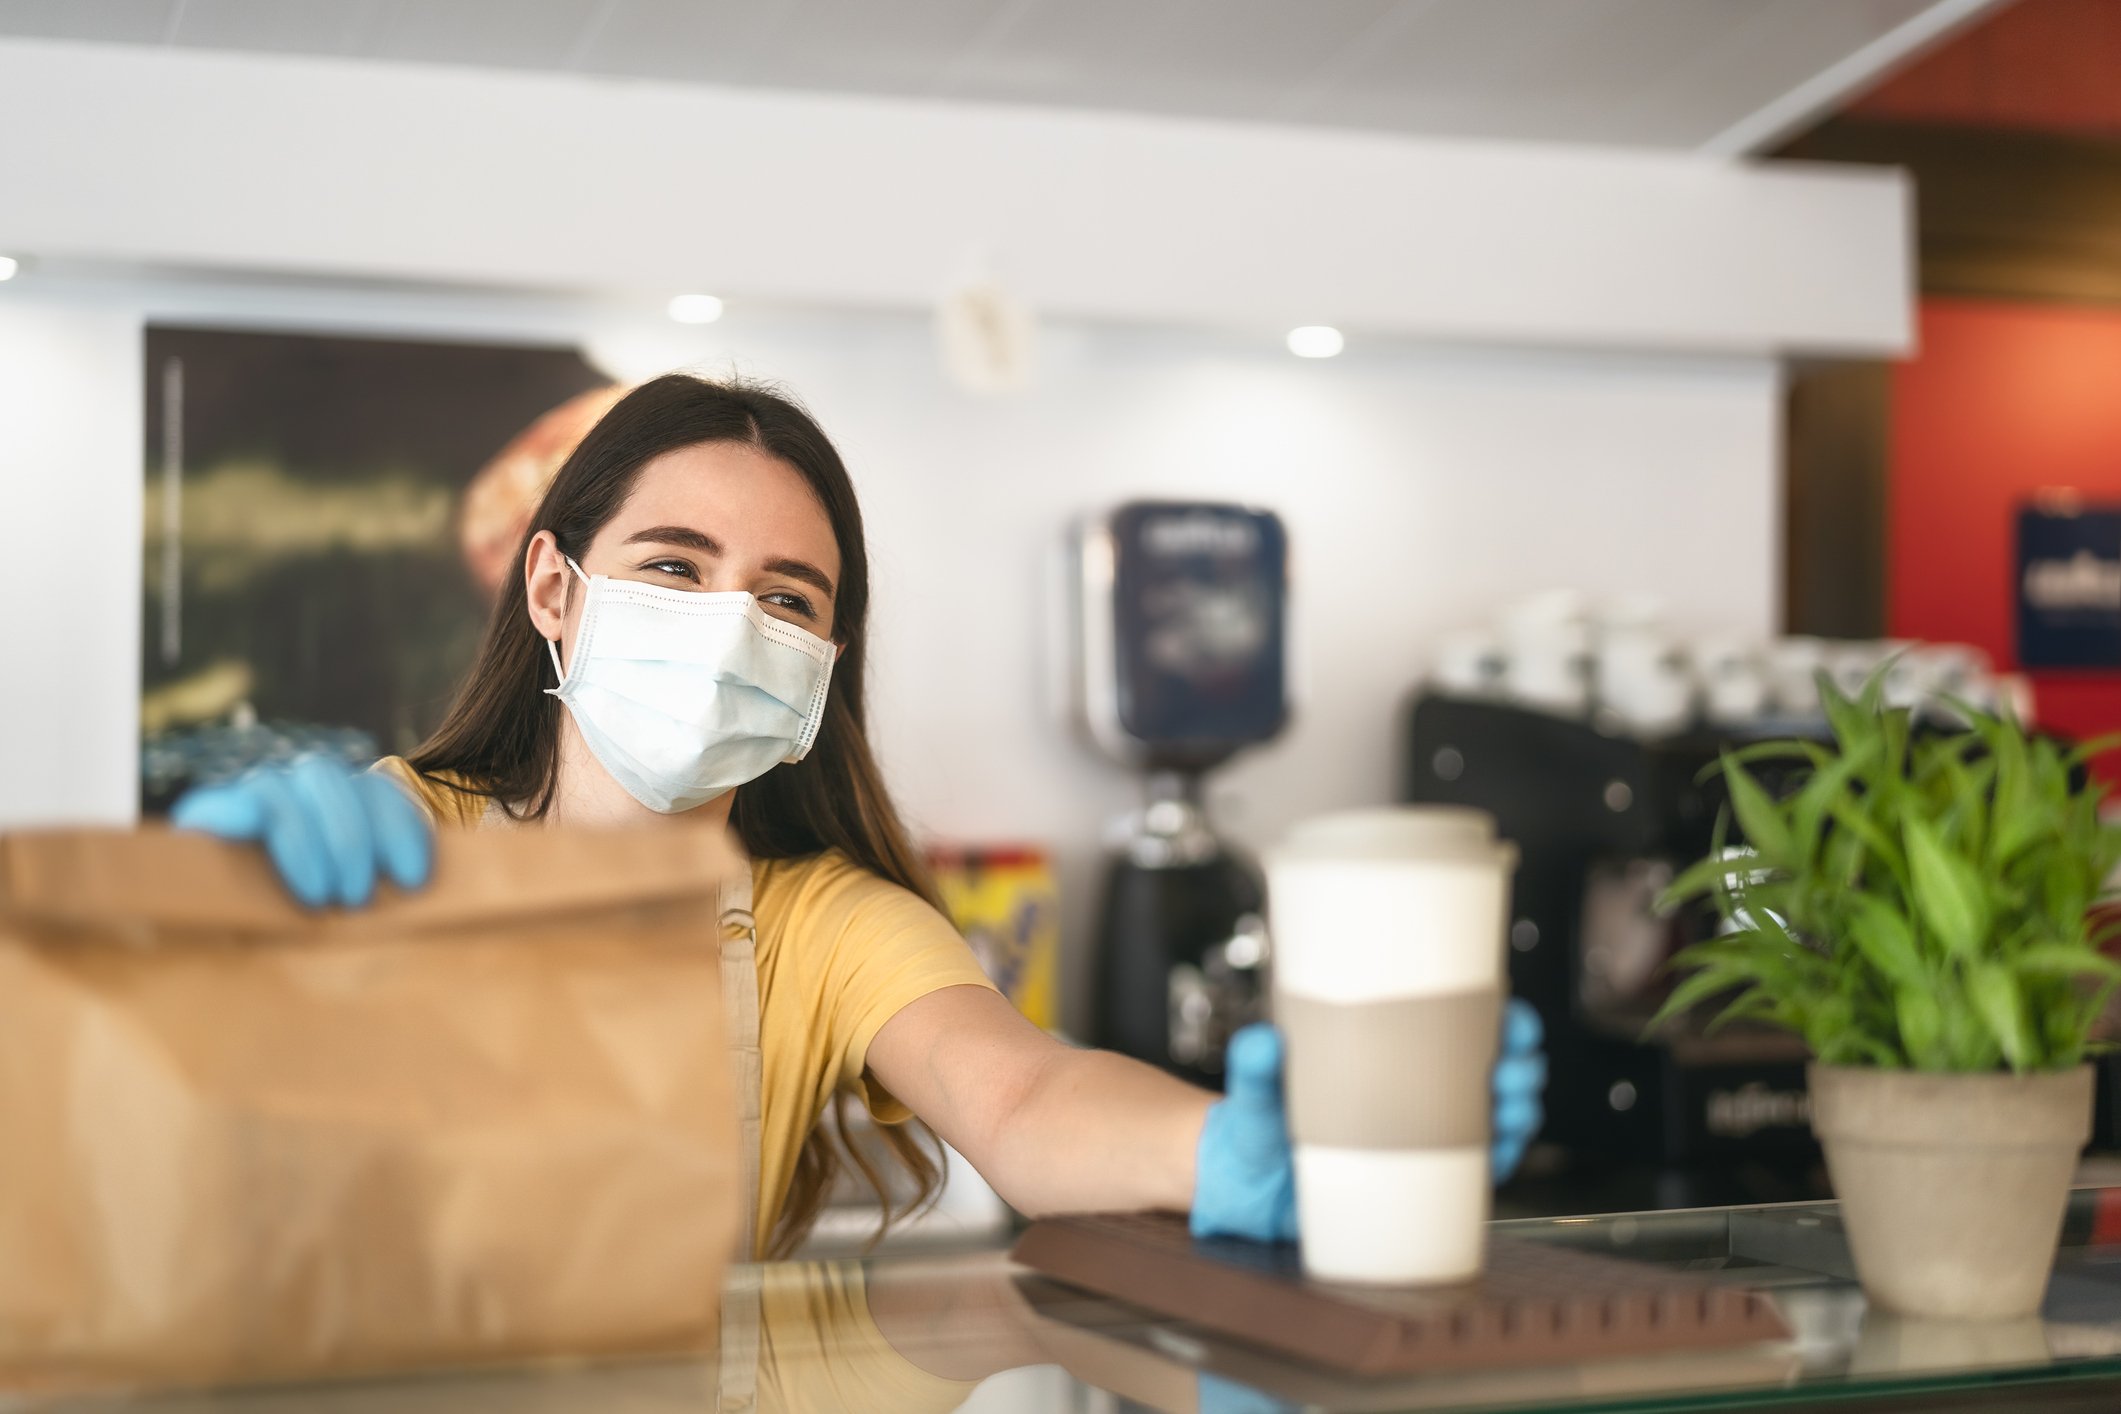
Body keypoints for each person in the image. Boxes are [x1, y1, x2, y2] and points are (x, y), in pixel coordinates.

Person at [174, 373, 1547, 1260]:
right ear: (553, 587)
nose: (729, 623)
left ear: (824, 660)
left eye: (785, 596)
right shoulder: (395, 835)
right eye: (674, 565)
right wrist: (200, 922)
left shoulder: (819, 922)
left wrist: (1250, 1148)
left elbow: (1022, 1092)